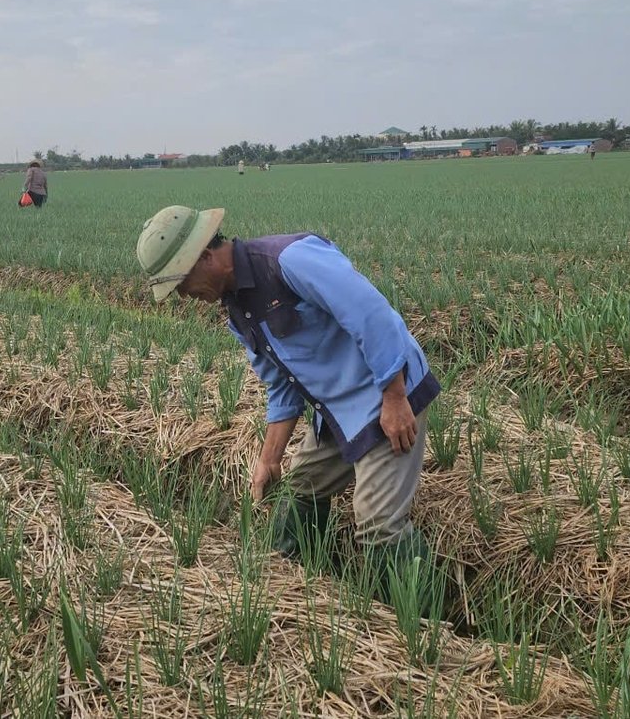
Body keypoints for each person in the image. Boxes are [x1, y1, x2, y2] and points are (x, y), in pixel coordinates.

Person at [136, 206, 441, 577]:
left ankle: (418, 608)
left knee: (379, 524)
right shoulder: (238, 311)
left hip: (385, 394)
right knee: (299, 494)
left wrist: (394, 397)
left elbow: (371, 314)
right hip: (338, 413)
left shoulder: (289, 260)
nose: (185, 296)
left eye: (182, 284)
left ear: (204, 257)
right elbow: (282, 384)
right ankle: (299, 583)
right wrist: (269, 459)